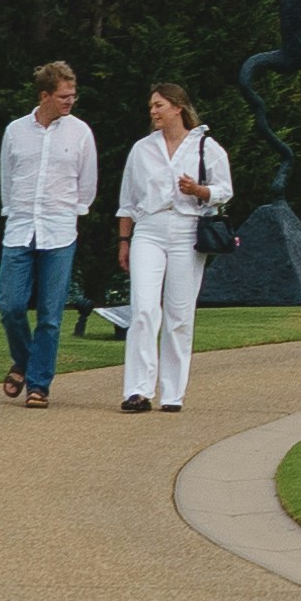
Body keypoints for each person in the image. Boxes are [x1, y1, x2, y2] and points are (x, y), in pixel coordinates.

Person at [117, 82, 234, 413]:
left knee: (179, 313)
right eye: (151, 106)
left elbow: (225, 189)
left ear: (177, 108)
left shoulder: (205, 146)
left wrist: (199, 190)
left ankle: (172, 393)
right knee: (142, 308)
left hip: (187, 231)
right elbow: (127, 202)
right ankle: (138, 390)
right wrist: (124, 241)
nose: (153, 111)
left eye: (159, 105)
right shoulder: (142, 149)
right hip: (149, 231)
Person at [0, 61, 95, 406]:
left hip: (59, 231)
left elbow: (87, 184)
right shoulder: (16, 131)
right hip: (21, 227)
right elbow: (8, 179)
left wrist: (72, 213)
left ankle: (38, 385)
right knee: (10, 304)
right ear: (45, 95)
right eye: (64, 96)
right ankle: (23, 361)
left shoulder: (80, 132)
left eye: (73, 95)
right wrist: (14, 210)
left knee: (50, 315)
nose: (70, 101)